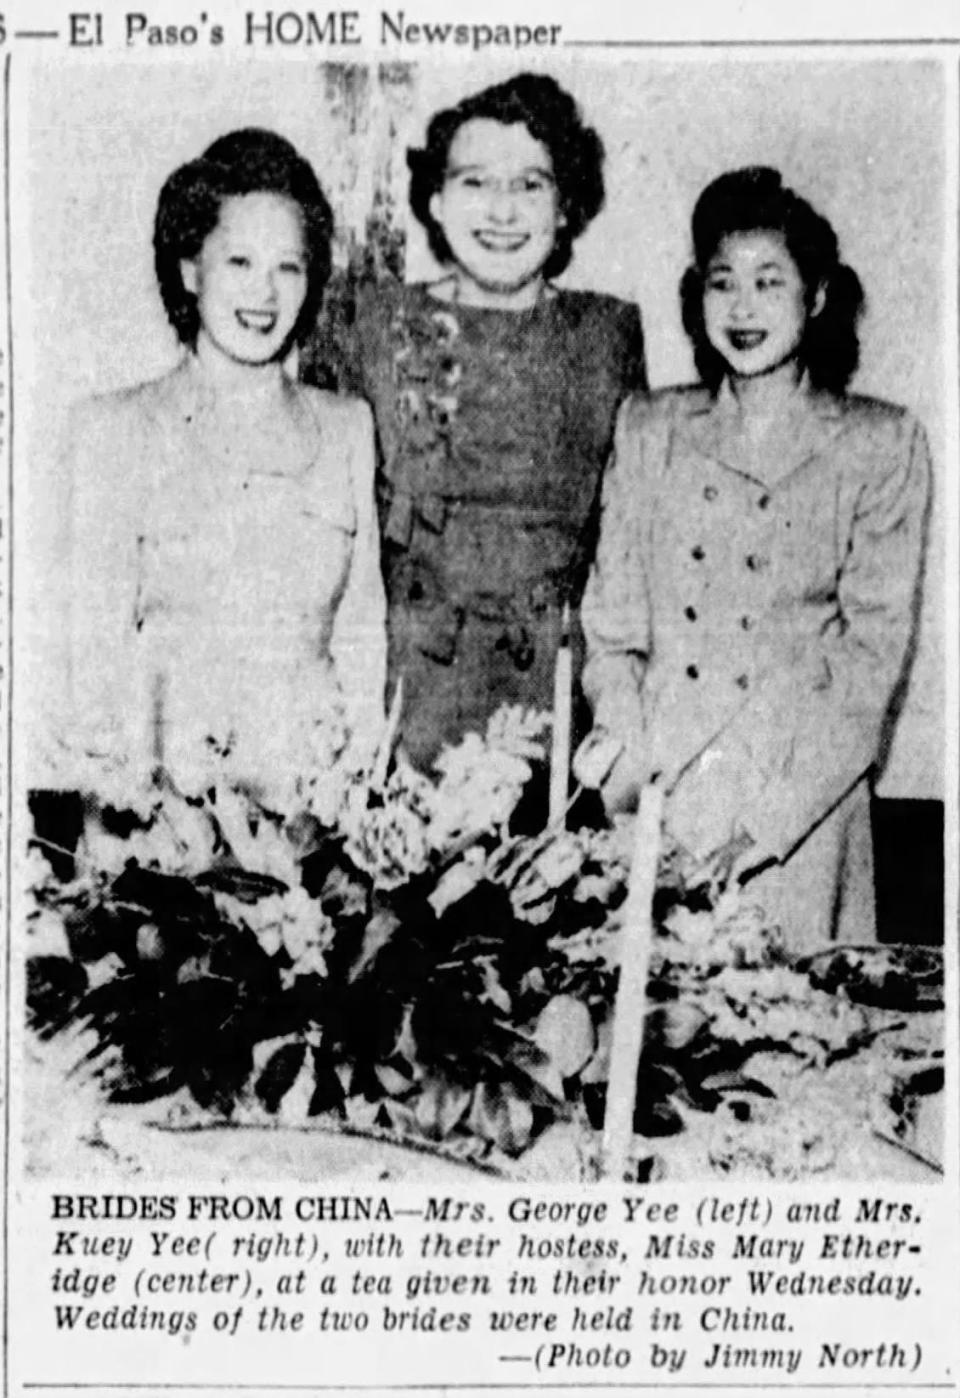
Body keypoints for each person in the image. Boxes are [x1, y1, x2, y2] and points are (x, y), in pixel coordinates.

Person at [579, 167, 931, 951]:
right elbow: (612, 631)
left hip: (797, 817)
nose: (742, 308)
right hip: (664, 801)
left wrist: (759, 829)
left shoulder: (881, 442)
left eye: (769, 282)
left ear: (816, 297)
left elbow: (869, 663)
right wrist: (629, 773)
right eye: (722, 282)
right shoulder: (649, 426)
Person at [302, 72, 646, 770]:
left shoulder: (605, 336)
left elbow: (631, 542)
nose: (502, 210)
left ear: (566, 207)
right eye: (474, 182)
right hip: (399, 699)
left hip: (552, 705)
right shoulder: (368, 321)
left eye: (530, 184)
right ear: (434, 199)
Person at [36, 128, 385, 810]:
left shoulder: (347, 428)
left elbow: (361, 641)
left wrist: (351, 791)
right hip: (164, 833)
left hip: (313, 828)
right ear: (191, 269)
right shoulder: (113, 431)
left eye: (289, 266)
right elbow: (89, 681)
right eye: (240, 261)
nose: (265, 292)